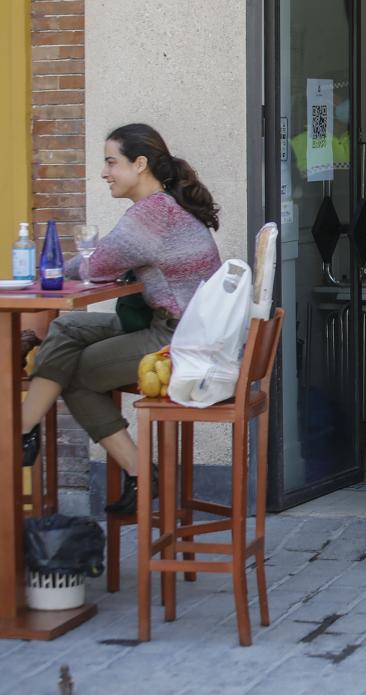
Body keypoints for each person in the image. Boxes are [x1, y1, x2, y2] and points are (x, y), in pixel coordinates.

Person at [21, 123, 222, 515]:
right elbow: (103, 261)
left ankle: (139, 473)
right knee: (66, 327)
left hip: (177, 339)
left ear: (140, 164)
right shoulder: (162, 207)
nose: (104, 172)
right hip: (180, 327)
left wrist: (49, 274)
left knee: (76, 376)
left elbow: (97, 264)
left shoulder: (152, 215)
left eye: (111, 162)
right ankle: (25, 429)